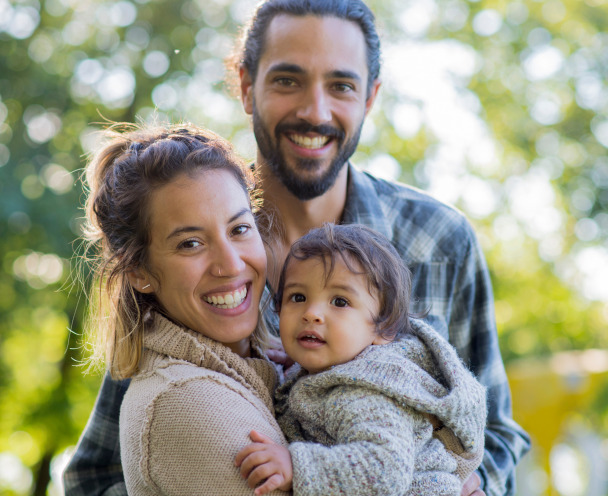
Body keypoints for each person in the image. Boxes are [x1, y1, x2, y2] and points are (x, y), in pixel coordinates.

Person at [63, 1, 530, 495]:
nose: (315, 111)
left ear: (370, 97)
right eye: (288, 80)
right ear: (246, 86)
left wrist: (463, 483)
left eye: (341, 86)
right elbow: (97, 475)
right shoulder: (190, 248)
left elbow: (494, 429)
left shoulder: (440, 239)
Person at [75, 122, 290, 495]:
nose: (232, 265)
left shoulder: (269, 360)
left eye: (239, 229)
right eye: (191, 243)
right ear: (140, 272)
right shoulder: (185, 402)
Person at [235, 223, 487, 496]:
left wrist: (297, 466)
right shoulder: (328, 370)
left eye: (340, 302)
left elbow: (385, 470)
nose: (312, 313)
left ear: (383, 328)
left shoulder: (364, 391)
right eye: (298, 297)